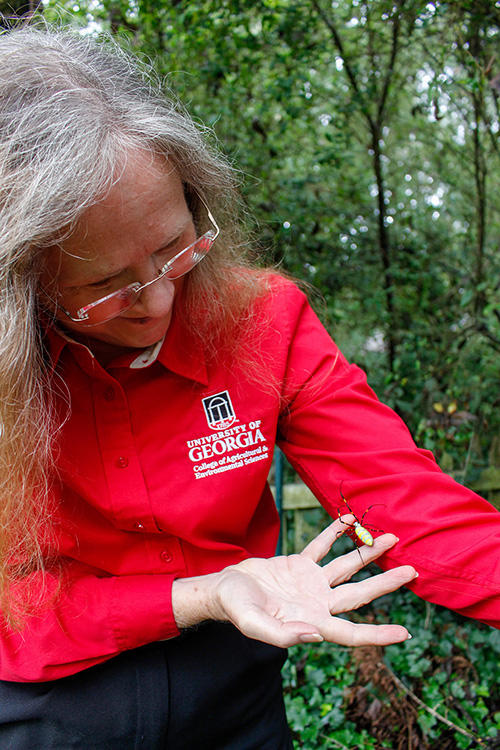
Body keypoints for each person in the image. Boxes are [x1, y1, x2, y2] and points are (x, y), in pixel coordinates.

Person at [0, 24, 499, 750]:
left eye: (175, 250)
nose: (160, 302)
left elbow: (403, 504)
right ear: (24, 283)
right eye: (107, 287)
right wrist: (196, 595)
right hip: (51, 702)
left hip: (237, 693)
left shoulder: (265, 320)